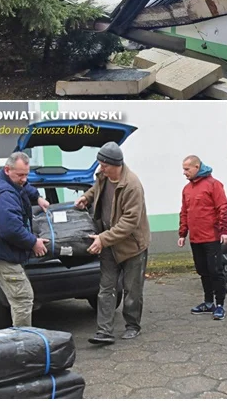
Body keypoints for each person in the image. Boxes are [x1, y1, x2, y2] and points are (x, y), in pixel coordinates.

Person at [74, 142, 151, 344]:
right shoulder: (103, 177)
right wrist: (85, 198)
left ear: (114, 164)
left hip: (132, 246)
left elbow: (129, 223)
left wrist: (103, 238)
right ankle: (104, 331)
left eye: (103, 164)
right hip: (108, 243)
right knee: (106, 288)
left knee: (131, 289)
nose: (100, 168)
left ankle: (133, 325)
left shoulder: (132, 185)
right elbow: (95, 190)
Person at [0, 152, 49, 326]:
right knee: (22, 299)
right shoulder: (4, 195)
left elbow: (23, 186)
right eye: (20, 175)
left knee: (18, 298)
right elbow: (11, 230)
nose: (24, 179)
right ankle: (22, 346)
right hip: (0, 254)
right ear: (7, 170)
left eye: (26, 174)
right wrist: (33, 242)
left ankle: (20, 340)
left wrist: (37, 197)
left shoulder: (4, 179)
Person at [178, 155, 227, 320]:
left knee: (216, 271)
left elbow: (223, 207)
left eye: (187, 169)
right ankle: (209, 303)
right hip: (196, 239)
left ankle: (220, 305)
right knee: (203, 271)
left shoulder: (214, 185)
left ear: (196, 167)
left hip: (212, 238)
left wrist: (225, 231)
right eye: (183, 169)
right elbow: (184, 212)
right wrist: (182, 233)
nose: (184, 173)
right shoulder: (187, 189)